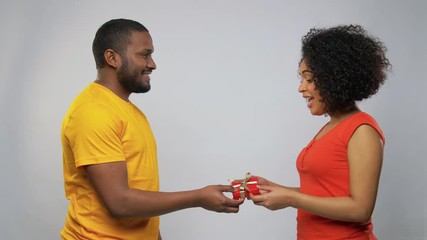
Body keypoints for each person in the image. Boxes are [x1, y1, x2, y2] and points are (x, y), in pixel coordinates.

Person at [60, 18, 244, 240]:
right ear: (112, 58)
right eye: (144, 55)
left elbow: (140, 195)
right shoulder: (93, 112)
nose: (152, 64)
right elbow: (120, 203)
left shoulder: (129, 111)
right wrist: (198, 198)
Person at [250, 25, 391, 239]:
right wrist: (278, 190)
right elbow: (326, 194)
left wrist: (290, 199)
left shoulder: (362, 130)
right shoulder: (330, 126)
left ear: (334, 79)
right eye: (301, 79)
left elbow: (360, 209)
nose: (301, 88)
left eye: (309, 79)